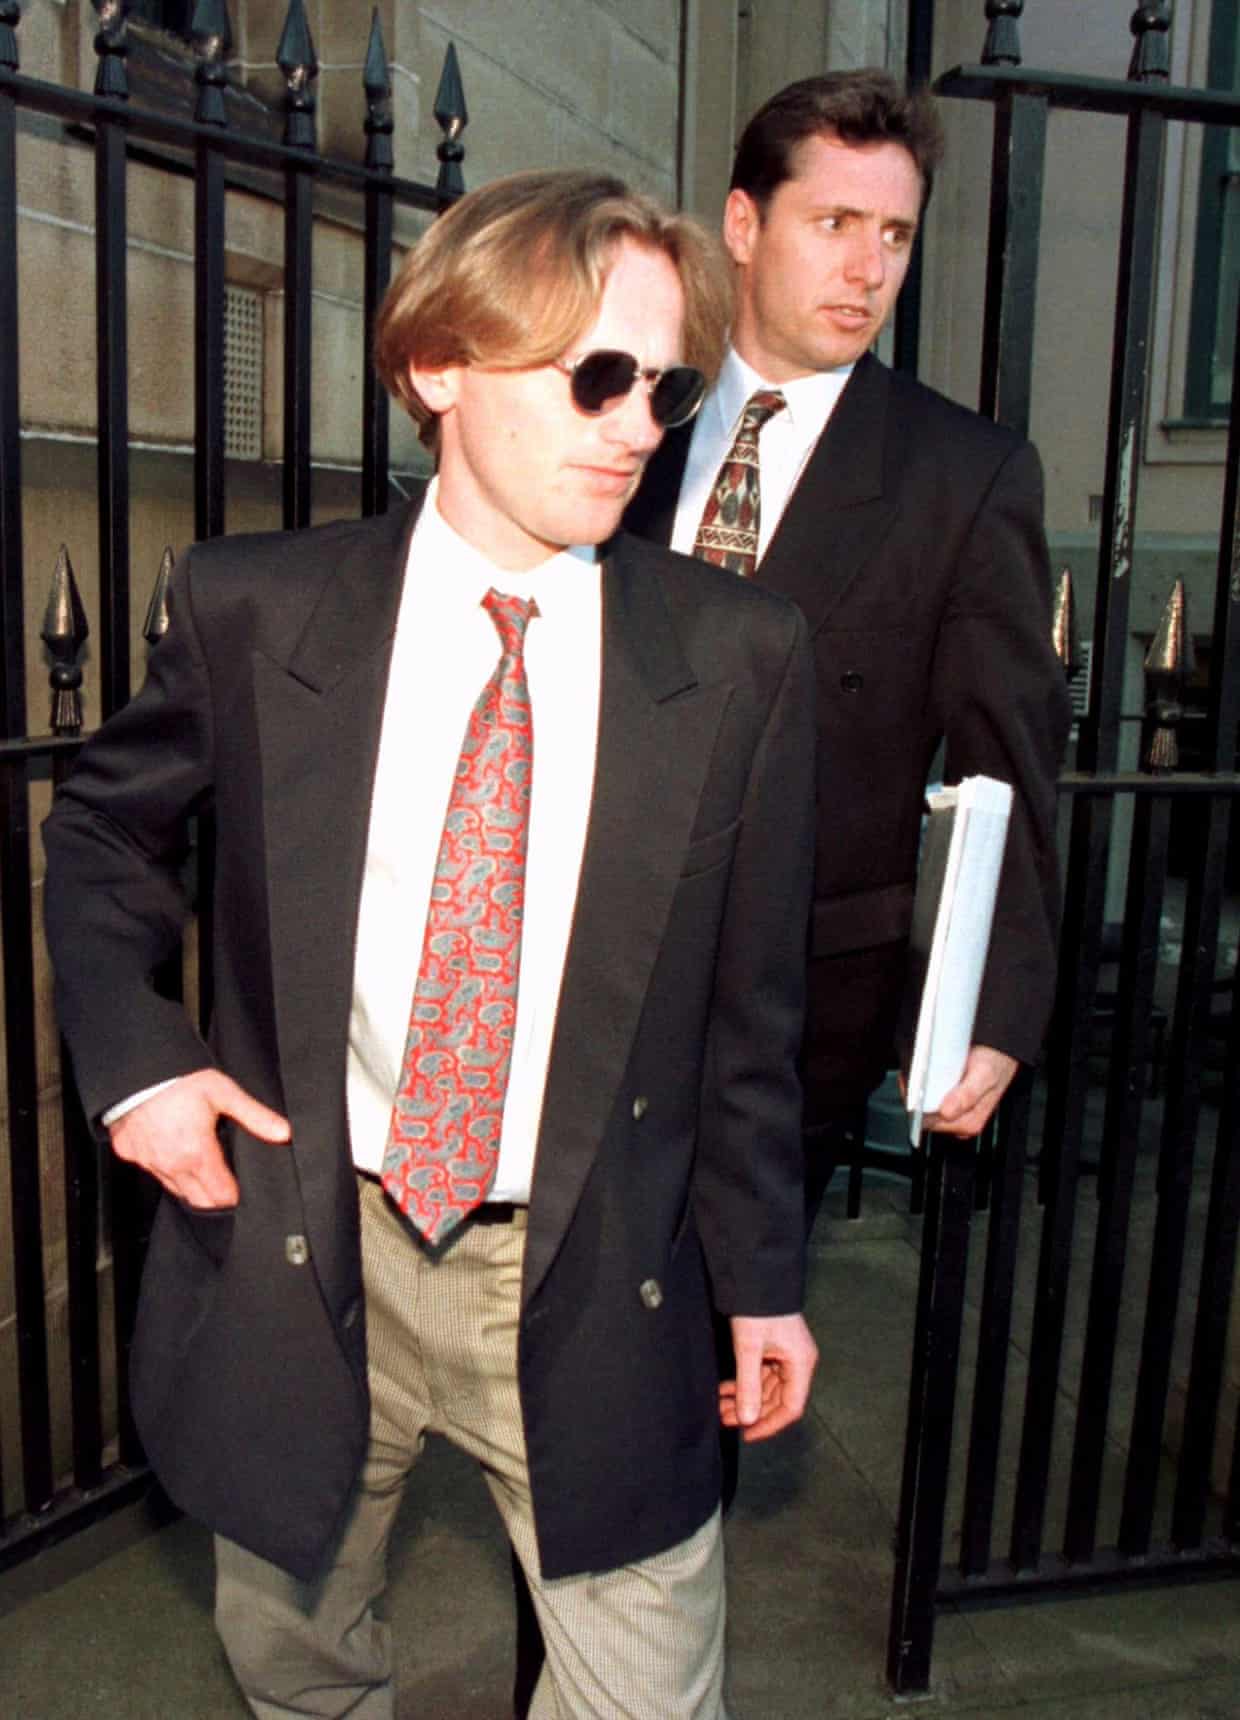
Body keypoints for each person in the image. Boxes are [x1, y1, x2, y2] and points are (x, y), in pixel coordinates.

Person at [43, 170, 819, 1718]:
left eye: (666, 389)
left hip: (596, 1267)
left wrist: (761, 1278)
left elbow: (751, 1020)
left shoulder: (739, 656)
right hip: (313, 1244)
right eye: (595, 376)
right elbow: (104, 835)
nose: (636, 425)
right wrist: (142, 1068)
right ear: (439, 365)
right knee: (297, 1664)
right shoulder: (256, 610)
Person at [625, 71, 1072, 1216]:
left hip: (799, 1012)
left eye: (895, 235)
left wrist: (992, 1010)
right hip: (585, 970)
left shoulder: (960, 475)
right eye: (834, 223)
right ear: (742, 225)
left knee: (730, 1306)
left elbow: (1008, 762)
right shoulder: (628, 421)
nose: (868, 269)